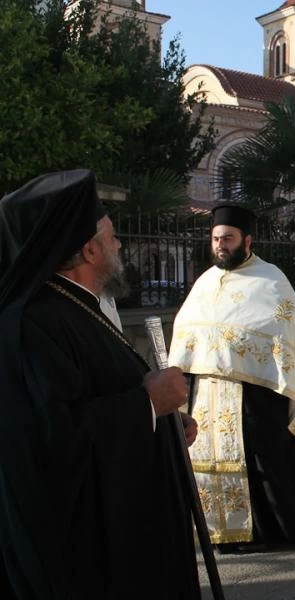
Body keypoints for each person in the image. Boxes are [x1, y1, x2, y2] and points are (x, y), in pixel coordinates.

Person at [0, 170, 199, 599]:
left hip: (130, 533)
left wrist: (164, 423)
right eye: (112, 238)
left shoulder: (79, 308)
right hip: (94, 557)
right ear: (89, 250)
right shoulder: (33, 324)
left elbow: (99, 396)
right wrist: (146, 404)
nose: (120, 245)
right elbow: (47, 442)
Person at [169, 205, 295, 551]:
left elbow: (281, 331)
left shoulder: (271, 279)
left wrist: (236, 346)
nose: (220, 245)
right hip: (206, 392)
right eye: (216, 238)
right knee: (206, 460)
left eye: (228, 238)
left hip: (256, 392)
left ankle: (270, 531)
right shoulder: (204, 282)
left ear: (246, 240)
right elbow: (186, 332)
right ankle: (216, 529)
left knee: (263, 460)